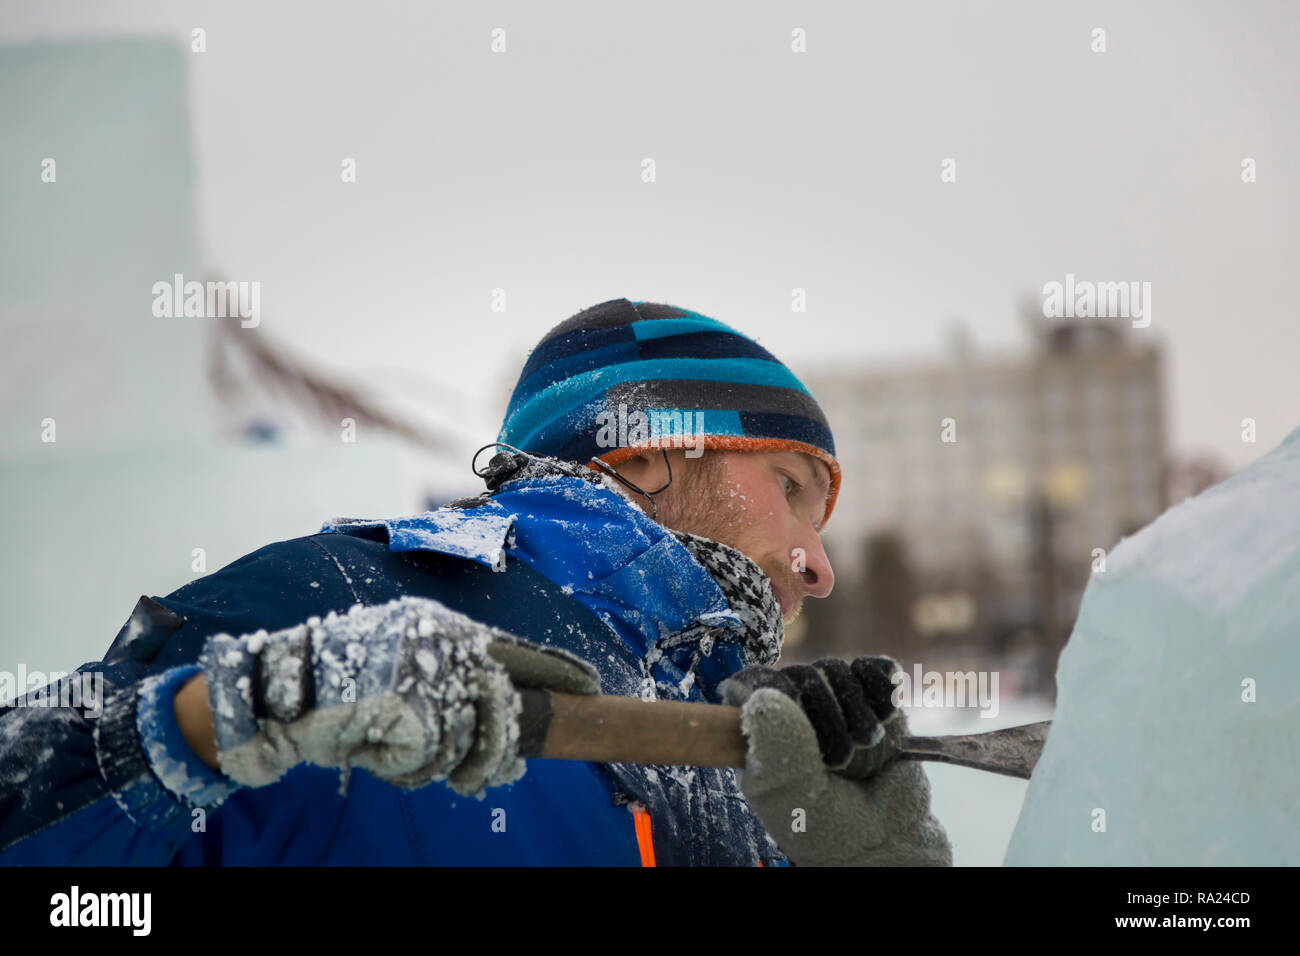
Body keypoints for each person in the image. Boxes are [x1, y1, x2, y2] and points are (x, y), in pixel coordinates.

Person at [0, 298, 951, 866]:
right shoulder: (338, 601)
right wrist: (211, 721)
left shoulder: (737, 762)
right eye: (789, 487)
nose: (819, 567)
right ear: (649, 454)